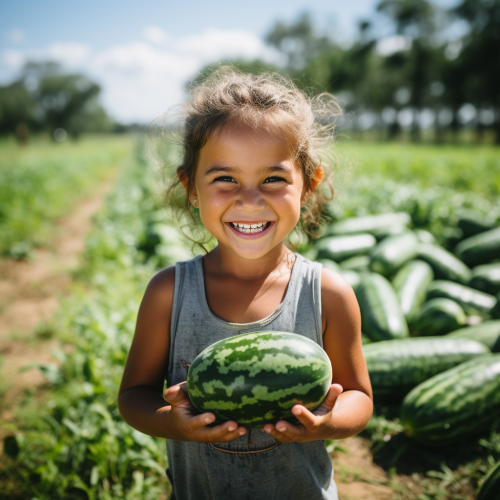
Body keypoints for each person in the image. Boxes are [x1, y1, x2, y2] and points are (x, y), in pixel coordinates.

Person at [118, 68, 373, 500]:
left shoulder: (327, 294)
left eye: (273, 179)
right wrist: (171, 422)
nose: (249, 199)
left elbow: (360, 398)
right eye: (225, 179)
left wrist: (328, 423)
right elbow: (134, 395)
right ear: (191, 188)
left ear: (308, 185)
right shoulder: (169, 293)